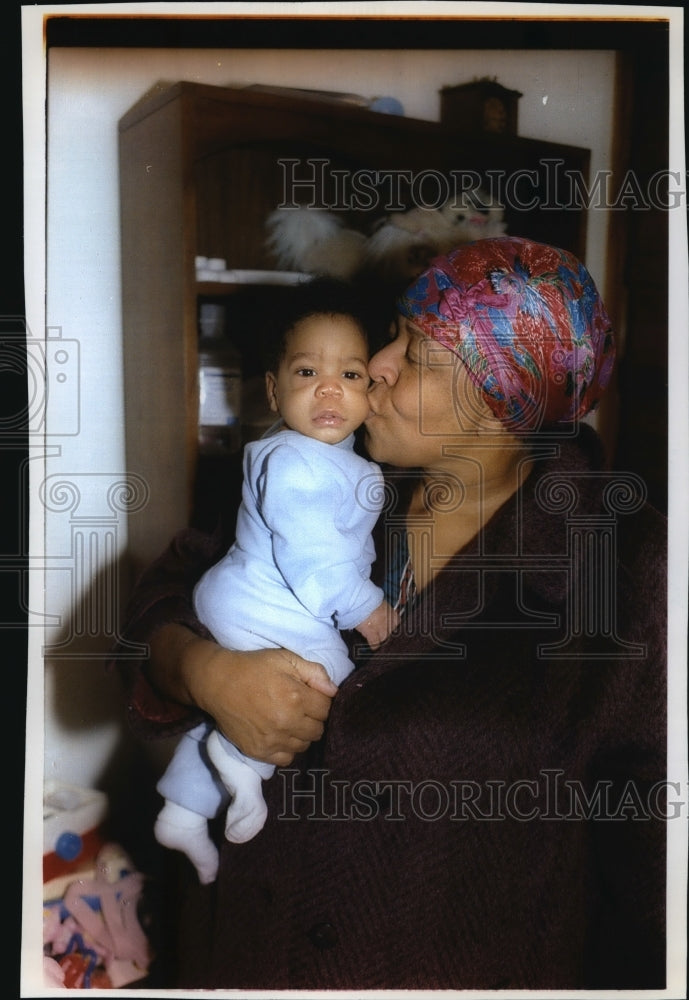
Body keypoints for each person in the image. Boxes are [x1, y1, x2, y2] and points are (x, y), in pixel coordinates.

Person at [112, 236, 667, 990]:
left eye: (417, 355)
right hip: (250, 955)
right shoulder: (327, 471)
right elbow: (151, 608)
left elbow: (652, 875)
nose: (375, 364)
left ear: (504, 404)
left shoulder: (629, 567)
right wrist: (201, 671)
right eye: (395, 333)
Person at [153, 277, 398, 884]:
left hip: (246, 596)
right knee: (327, 684)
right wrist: (368, 611)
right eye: (307, 372)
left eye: (349, 375)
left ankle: (184, 809)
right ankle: (241, 764)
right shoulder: (294, 462)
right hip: (266, 601)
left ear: (370, 392)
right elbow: (314, 557)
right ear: (273, 388)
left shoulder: (334, 459)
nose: (328, 391)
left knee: (232, 708)